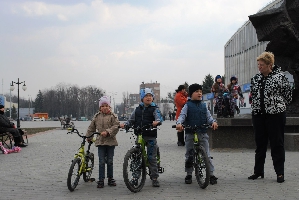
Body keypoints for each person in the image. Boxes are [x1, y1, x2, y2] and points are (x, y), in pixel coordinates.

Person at [248, 52, 292, 183]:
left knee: (277, 144)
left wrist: (277, 105)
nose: (259, 67)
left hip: (275, 115)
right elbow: (253, 95)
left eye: (262, 65)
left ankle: (280, 173)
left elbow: (288, 96)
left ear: (269, 65)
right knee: (260, 144)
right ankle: (258, 171)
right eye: (258, 65)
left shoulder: (280, 77)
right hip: (258, 115)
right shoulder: (256, 78)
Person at [120, 88, 163, 187]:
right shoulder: (137, 109)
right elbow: (131, 120)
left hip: (150, 135)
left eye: (150, 96)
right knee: (136, 157)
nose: (148, 98)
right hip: (140, 135)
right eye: (146, 96)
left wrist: (157, 122)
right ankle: (135, 177)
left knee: (151, 157)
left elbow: (159, 118)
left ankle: (154, 177)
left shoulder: (154, 109)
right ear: (142, 98)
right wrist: (126, 124)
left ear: (152, 98)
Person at [176, 84, 218, 185]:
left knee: (207, 155)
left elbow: (209, 116)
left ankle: (211, 174)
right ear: (191, 94)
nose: (199, 93)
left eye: (200, 91)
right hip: (190, 133)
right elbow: (182, 116)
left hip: (202, 132)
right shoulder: (187, 105)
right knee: (189, 154)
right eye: (196, 91)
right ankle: (189, 174)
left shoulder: (204, 105)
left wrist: (213, 122)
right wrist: (179, 123)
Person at [85, 96, 120, 188]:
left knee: (110, 161)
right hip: (100, 142)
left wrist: (108, 132)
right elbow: (91, 127)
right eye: (102, 106)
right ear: (100, 108)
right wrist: (89, 136)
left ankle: (110, 178)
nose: (105, 107)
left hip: (110, 142)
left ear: (109, 107)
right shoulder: (96, 117)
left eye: (106, 105)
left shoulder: (113, 116)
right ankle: (101, 179)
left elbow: (116, 126)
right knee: (101, 161)